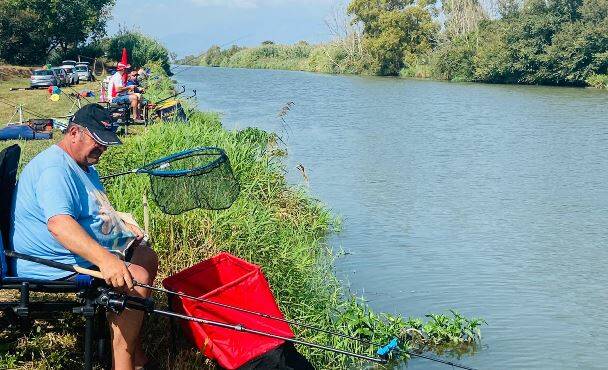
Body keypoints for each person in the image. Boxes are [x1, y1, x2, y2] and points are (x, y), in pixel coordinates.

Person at [10, 104, 159, 370]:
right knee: (137, 277)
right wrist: (105, 259)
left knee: (146, 255)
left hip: (76, 253)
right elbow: (60, 224)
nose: (103, 150)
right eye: (98, 143)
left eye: (106, 144)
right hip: (52, 264)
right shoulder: (55, 170)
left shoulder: (82, 165)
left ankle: (132, 349)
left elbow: (88, 210)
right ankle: (124, 364)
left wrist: (120, 221)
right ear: (74, 132)